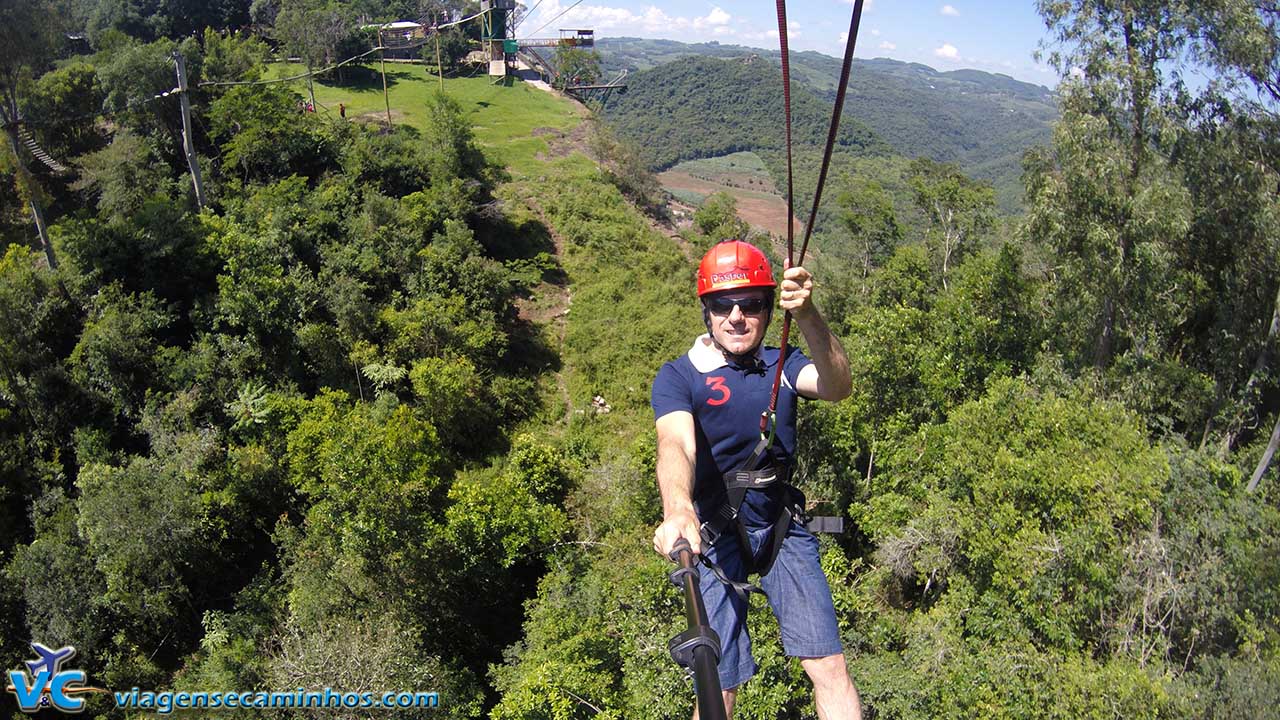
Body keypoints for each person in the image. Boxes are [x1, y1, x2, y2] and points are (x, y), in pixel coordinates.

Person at [651, 239, 862, 720]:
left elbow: (837, 386)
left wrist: (807, 315)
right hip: (715, 533)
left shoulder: (782, 365)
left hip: (782, 528)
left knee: (829, 666)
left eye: (750, 305)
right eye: (723, 305)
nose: (736, 317)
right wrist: (678, 507)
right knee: (717, 681)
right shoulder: (680, 376)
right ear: (707, 310)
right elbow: (675, 444)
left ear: (768, 310)